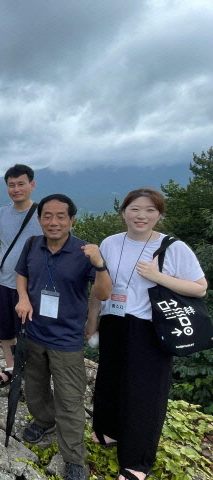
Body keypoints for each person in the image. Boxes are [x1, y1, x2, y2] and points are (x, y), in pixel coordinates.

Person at [86, 188, 207, 480]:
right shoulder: (111, 243)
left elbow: (200, 287)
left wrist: (158, 277)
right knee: (110, 379)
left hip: (151, 327)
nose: (142, 216)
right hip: (114, 320)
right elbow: (101, 284)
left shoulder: (173, 247)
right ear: (123, 212)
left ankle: (137, 462)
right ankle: (109, 431)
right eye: (135, 209)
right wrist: (92, 320)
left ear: (159, 215)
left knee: (145, 393)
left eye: (150, 210)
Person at [14, 194, 112, 480]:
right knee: (35, 386)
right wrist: (23, 298)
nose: (53, 222)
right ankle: (43, 420)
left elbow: (104, 293)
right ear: (39, 218)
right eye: (47, 216)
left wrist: (100, 265)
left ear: (71, 219)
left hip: (67, 338)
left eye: (60, 216)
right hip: (34, 330)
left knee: (69, 400)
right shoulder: (32, 244)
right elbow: (22, 275)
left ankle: (74, 458)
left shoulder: (84, 252)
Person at [0, 164, 42, 389]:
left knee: (33, 333)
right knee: (5, 331)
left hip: (33, 287)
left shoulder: (43, 214)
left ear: (31, 185)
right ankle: (13, 368)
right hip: (4, 281)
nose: (16, 189)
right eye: (11, 185)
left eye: (21, 184)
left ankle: (33, 374)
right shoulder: (3, 213)